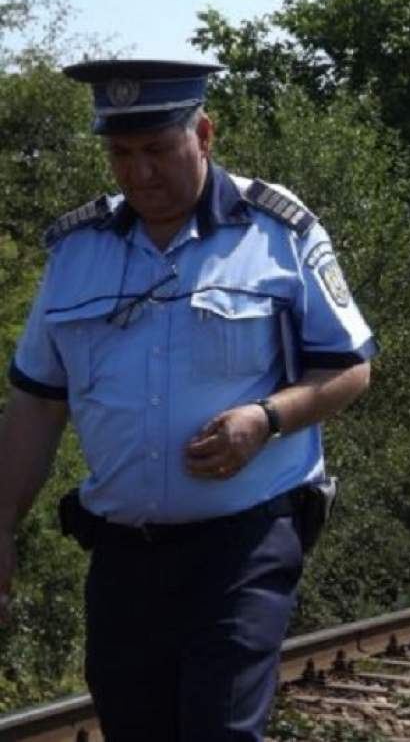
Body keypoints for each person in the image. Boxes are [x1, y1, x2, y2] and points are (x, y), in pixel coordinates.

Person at [0, 59, 377, 741]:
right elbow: (37, 403)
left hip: (244, 542)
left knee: (217, 730)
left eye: (156, 151)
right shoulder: (76, 253)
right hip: (121, 555)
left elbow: (349, 367)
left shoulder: (277, 232)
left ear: (203, 134)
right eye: (121, 154)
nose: (139, 173)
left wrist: (266, 420)